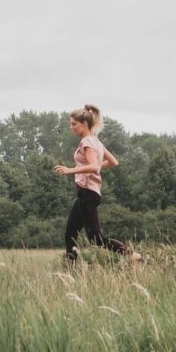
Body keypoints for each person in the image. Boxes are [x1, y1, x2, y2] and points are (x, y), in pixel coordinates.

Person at [54, 104, 143, 264]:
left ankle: (134, 256)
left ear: (85, 124)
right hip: (86, 193)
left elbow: (94, 166)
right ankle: (70, 271)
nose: (71, 127)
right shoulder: (96, 142)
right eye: (71, 124)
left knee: (96, 239)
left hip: (87, 194)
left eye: (74, 124)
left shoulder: (86, 142)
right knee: (70, 234)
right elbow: (113, 162)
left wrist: (71, 170)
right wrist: (88, 168)